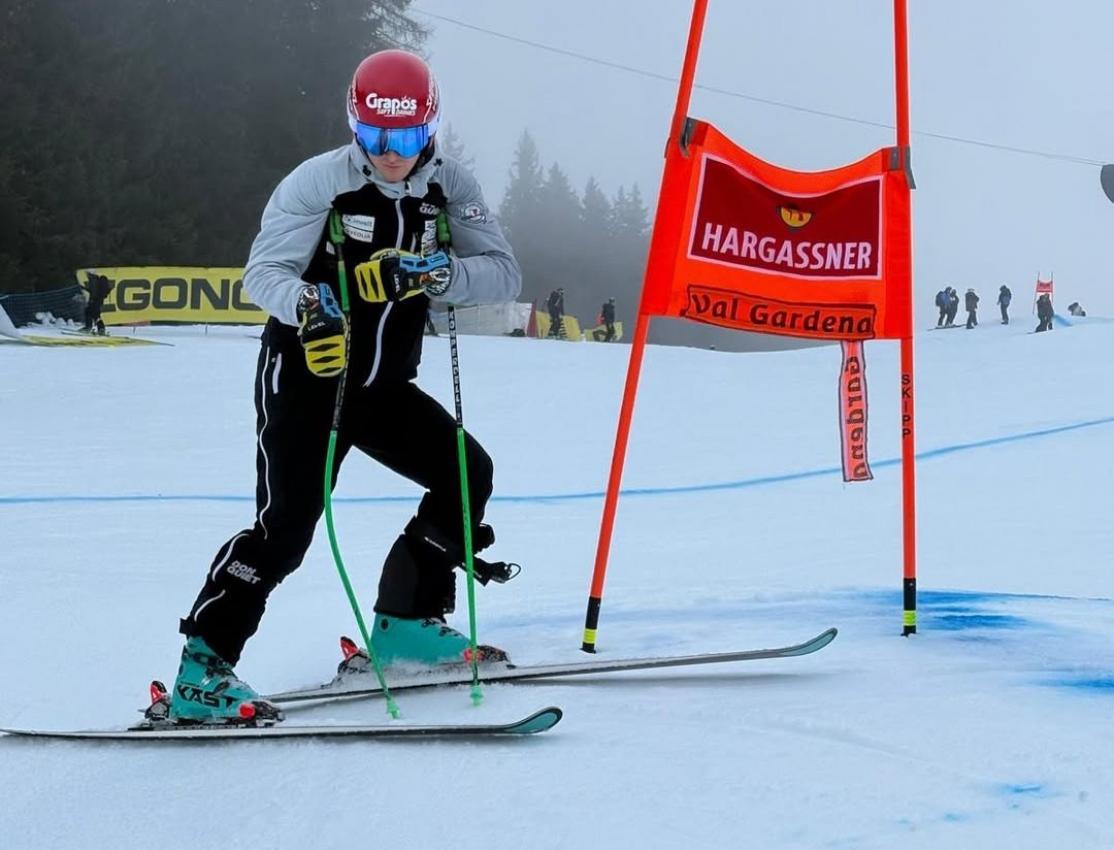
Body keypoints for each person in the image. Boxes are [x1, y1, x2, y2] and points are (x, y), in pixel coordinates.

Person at [162, 49, 522, 726]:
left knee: (465, 473)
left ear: (430, 128)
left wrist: (442, 276)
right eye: (376, 137)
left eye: (408, 137)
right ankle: (202, 669)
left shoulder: (452, 188)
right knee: (285, 531)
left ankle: (406, 626)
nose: (391, 153)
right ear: (355, 125)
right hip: (307, 379)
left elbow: (504, 273)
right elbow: (261, 273)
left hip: (383, 385)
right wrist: (309, 303)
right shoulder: (317, 184)